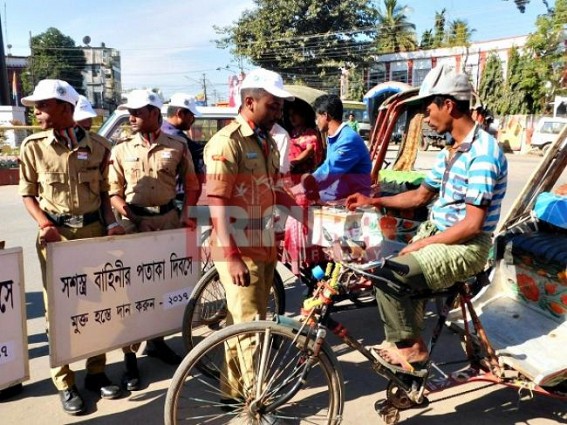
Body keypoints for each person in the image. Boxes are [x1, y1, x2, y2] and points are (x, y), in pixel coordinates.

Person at [346, 65, 508, 370]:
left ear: (449, 105)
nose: (426, 116)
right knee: (378, 266)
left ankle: (414, 350)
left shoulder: (483, 155)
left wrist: (422, 244)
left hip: (468, 245)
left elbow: (472, 224)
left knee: (389, 274)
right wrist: (374, 200)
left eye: (428, 107)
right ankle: (408, 358)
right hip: (442, 234)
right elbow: (420, 196)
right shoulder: (451, 151)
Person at [18, 79, 125, 415]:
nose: (35, 111)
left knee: (99, 305)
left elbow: (107, 195)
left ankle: (96, 372)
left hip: (93, 232)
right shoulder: (32, 147)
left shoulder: (99, 146)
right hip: (57, 236)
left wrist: (112, 224)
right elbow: (28, 194)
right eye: (35, 105)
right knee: (59, 311)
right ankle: (64, 381)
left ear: (65, 107)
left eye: (43, 105)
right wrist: (45, 224)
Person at [204, 68, 299, 404]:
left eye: (279, 108)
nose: (279, 113)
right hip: (238, 248)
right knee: (252, 329)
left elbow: (274, 187)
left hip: (263, 243)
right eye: (272, 106)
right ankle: (258, 402)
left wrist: (307, 211)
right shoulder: (227, 143)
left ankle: (232, 393)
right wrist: (229, 257)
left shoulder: (267, 141)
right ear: (249, 102)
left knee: (240, 322)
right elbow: (216, 201)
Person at [108, 89, 200, 390]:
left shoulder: (177, 145)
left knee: (163, 288)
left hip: (167, 223)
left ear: (154, 113)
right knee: (130, 294)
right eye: (130, 112)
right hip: (133, 226)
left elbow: (191, 184)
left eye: (137, 111)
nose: (131, 117)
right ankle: (130, 362)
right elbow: (114, 193)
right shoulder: (121, 149)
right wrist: (134, 220)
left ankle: (157, 342)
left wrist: (187, 217)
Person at [311, 94, 372, 202]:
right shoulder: (334, 137)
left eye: (317, 117)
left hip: (353, 203)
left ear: (325, 116)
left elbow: (329, 170)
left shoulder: (348, 139)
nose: (316, 122)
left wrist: (303, 186)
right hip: (337, 199)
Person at [161, 93, 204, 203]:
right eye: (191, 115)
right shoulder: (173, 135)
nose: (193, 120)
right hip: (178, 198)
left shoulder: (165, 130)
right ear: (180, 113)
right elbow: (200, 151)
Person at [287, 100, 323, 184]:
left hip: (306, 175)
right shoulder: (291, 133)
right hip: (291, 174)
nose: (291, 118)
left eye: (294, 114)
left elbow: (309, 150)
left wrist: (293, 162)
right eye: (289, 115)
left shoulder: (310, 132)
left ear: (303, 116)